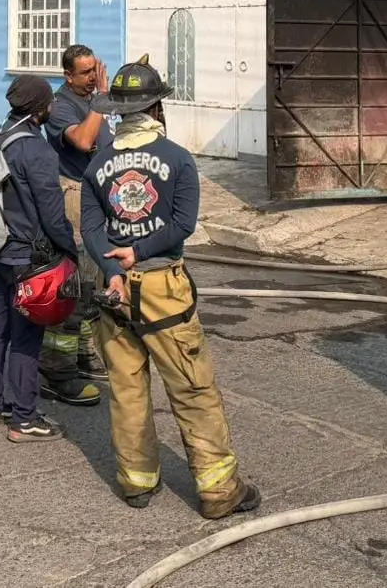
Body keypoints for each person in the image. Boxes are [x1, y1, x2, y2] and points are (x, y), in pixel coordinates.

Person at [81, 54, 260, 519]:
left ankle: (136, 482)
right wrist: (139, 255)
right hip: (163, 288)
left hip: (112, 291)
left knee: (126, 386)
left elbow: (92, 230)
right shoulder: (178, 159)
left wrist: (115, 269)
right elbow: (183, 224)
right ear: (157, 109)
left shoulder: (97, 165)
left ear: (118, 112)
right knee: (192, 387)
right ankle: (220, 491)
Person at [0, 76, 80, 443]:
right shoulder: (37, 151)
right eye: (49, 102)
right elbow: (52, 214)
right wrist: (70, 250)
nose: (53, 107)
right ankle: (24, 417)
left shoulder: (1, 133)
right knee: (27, 334)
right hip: (27, 255)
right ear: (40, 109)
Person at [38, 43, 113, 407]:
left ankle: (84, 354)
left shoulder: (96, 100)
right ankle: (57, 370)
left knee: (93, 285)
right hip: (72, 198)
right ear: (68, 75)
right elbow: (84, 141)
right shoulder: (61, 106)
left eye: (93, 70)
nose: (92, 78)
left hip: (97, 200)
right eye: (84, 73)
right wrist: (101, 99)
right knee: (73, 286)